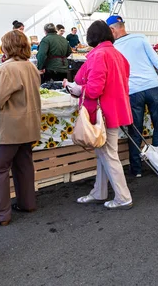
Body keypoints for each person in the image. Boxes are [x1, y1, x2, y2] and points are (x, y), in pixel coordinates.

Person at [66, 21, 134, 209]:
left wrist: (78, 89)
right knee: (104, 153)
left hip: (101, 113)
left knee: (108, 154)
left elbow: (95, 89)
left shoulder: (98, 55)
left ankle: (123, 197)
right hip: (114, 111)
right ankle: (100, 191)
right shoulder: (117, 54)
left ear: (91, 37)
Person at [108, 15, 158, 178]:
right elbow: (157, 61)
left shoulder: (114, 47)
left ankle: (136, 169)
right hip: (153, 86)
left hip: (133, 91)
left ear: (112, 29)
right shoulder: (141, 38)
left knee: (135, 129)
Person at [0, 30, 41, 226]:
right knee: (24, 166)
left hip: (6, 130)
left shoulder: (4, 70)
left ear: (6, 47)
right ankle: (27, 203)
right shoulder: (30, 67)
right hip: (27, 126)